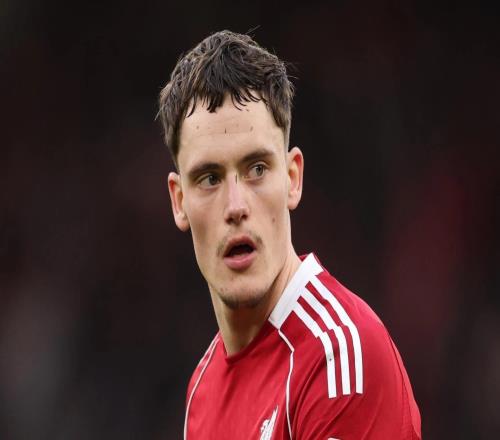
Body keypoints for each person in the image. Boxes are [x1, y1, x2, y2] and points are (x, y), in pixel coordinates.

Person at [158, 30, 421, 440]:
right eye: (209, 178)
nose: (235, 206)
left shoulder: (339, 356)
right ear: (179, 201)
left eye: (257, 169)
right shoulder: (201, 390)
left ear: (293, 178)